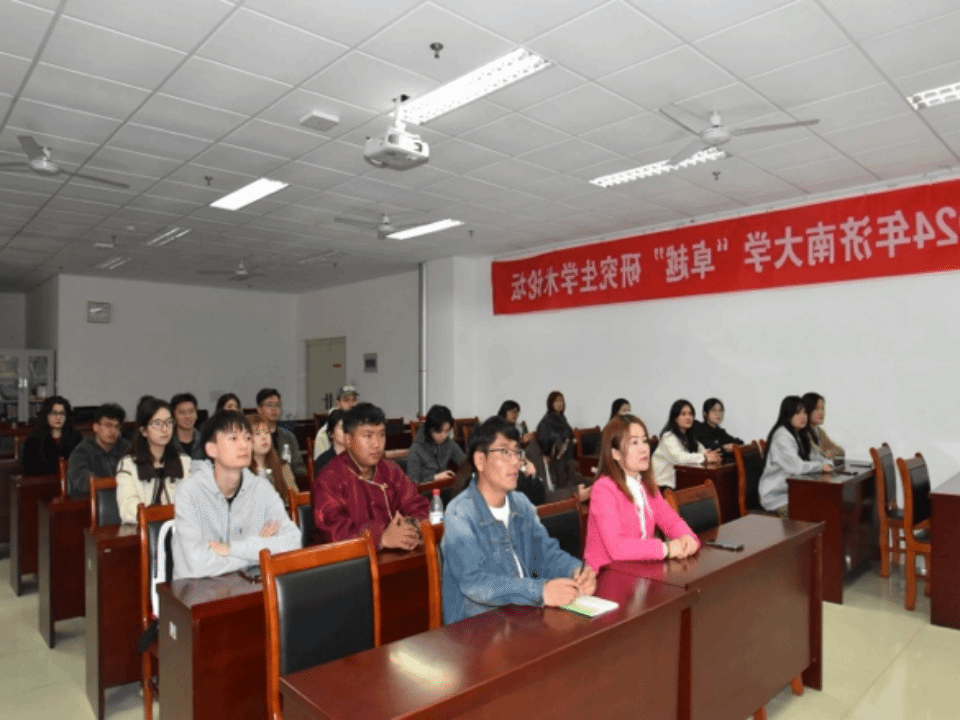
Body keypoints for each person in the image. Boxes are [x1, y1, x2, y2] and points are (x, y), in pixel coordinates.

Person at [441, 416, 597, 624]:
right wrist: (540, 591)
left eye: (517, 452)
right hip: (476, 629)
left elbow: (546, 554)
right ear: (480, 460)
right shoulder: (460, 514)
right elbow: (476, 583)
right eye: (505, 452)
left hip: (522, 617)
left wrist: (576, 570)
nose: (516, 462)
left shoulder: (521, 503)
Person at [171, 410, 300, 579]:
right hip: (197, 588)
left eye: (247, 438)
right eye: (233, 438)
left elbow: (293, 542)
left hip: (246, 585)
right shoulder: (189, 491)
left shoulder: (262, 488)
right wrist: (258, 552)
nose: (244, 445)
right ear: (211, 449)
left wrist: (232, 549)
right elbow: (197, 565)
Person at [584, 415, 699, 569]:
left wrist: (688, 538)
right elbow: (617, 547)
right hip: (606, 574)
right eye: (634, 442)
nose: (644, 448)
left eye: (645, 441)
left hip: (640, 569)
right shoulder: (603, 489)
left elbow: (670, 521)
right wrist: (667, 548)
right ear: (615, 453)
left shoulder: (646, 485)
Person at [312, 402, 428, 549]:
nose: (377, 444)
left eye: (381, 435)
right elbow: (335, 532)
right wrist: (381, 538)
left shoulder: (391, 470)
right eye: (368, 436)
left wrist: (411, 527)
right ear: (348, 440)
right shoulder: (329, 478)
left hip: (397, 555)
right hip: (351, 561)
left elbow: (415, 503)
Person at [116, 397, 190, 524]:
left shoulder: (185, 462)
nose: (165, 429)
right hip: (140, 530)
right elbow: (128, 510)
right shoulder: (128, 464)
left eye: (169, 422)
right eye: (157, 423)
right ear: (143, 431)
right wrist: (164, 514)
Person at [758, 396, 833, 517]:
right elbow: (797, 467)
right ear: (788, 415)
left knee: (826, 505)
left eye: (804, 412)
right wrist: (820, 467)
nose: (803, 417)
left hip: (792, 493)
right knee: (814, 513)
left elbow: (813, 456)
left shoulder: (797, 434)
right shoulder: (782, 437)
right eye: (797, 413)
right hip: (777, 498)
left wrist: (827, 462)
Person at [651, 399, 721, 489]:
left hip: (680, 482)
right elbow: (679, 459)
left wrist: (711, 455)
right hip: (663, 486)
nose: (688, 417)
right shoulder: (668, 437)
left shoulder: (688, 436)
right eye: (683, 414)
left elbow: (701, 450)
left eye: (690, 414)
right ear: (675, 418)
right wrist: (704, 457)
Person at [67, 403, 131, 498]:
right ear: (95, 427)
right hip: (91, 501)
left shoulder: (126, 448)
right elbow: (83, 483)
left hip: (123, 499)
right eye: (108, 425)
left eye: (117, 427)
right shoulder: (81, 452)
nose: (113, 431)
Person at [526, 413, 592, 502]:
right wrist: (575, 492)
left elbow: (571, 477)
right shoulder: (532, 454)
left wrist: (596, 482)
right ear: (550, 441)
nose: (565, 448)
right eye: (563, 443)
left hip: (558, 502)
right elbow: (544, 497)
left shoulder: (556, 454)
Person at [21, 395, 83, 476]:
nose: (58, 417)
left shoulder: (77, 439)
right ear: (46, 415)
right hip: (44, 482)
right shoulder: (33, 442)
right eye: (54, 413)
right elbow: (30, 471)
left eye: (62, 413)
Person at [407, 404, 466, 484]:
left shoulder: (449, 444)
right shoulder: (416, 449)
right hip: (425, 490)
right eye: (439, 432)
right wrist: (434, 478)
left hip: (444, 488)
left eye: (447, 431)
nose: (444, 436)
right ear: (430, 429)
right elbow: (412, 483)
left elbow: (465, 462)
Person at [256, 388, 306, 477]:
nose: (274, 409)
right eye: (269, 405)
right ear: (259, 409)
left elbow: (299, 466)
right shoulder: (253, 437)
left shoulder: (289, 437)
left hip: (287, 481)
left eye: (277, 405)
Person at [248, 414, 297, 503]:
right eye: (257, 433)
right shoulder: (240, 471)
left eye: (267, 432)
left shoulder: (283, 467)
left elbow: (294, 499)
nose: (264, 437)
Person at [313, 385, 358, 457]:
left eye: (354, 400)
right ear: (338, 403)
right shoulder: (323, 434)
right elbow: (321, 461)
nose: (351, 404)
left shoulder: (359, 425)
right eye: (346, 400)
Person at [802, 392, 844, 460]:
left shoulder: (819, 431)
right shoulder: (801, 431)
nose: (821, 413)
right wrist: (827, 452)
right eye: (816, 409)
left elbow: (841, 451)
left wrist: (831, 452)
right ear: (807, 410)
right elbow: (819, 454)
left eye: (822, 408)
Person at [169, 393, 203, 459]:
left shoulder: (205, 440)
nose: (187, 416)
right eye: (182, 413)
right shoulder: (167, 441)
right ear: (173, 415)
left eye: (191, 411)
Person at [313, 409, 345, 473]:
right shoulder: (323, 461)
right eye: (342, 428)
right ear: (331, 433)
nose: (346, 431)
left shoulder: (357, 458)